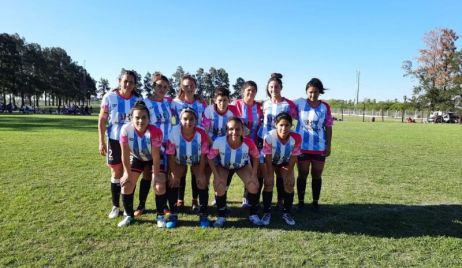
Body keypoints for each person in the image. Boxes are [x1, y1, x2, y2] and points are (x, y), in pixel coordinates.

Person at [98, 69, 141, 219]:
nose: (128, 84)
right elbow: (102, 119)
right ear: (119, 82)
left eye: (131, 82)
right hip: (114, 140)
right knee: (116, 172)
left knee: (130, 173)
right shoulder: (109, 97)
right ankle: (115, 206)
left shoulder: (138, 100)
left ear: (135, 84)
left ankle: (128, 205)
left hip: (132, 142)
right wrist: (101, 141)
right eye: (125, 81)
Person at [131, 73, 173, 217]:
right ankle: (141, 205)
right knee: (148, 175)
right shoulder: (145, 103)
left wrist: (199, 98)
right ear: (153, 86)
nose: (162, 89)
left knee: (164, 175)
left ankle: (164, 205)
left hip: (168, 146)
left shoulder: (168, 102)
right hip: (150, 146)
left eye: (165, 87)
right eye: (159, 86)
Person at [208, 117, 262, 227]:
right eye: (231, 129)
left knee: (253, 185)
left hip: (242, 166)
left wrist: (253, 174)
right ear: (226, 130)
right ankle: (221, 216)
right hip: (224, 166)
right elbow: (210, 158)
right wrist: (216, 175)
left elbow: (256, 157)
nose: (234, 132)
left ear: (242, 130)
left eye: (238, 129)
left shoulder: (249, 143)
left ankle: (253, 215)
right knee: (219, 186)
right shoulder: (219, 142)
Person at [117, 101, 164, 227]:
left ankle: (160, 215)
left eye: (144, 117)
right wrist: (126, 173)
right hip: (138, 157)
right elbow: (125, 154)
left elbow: (155, 156)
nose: (141, 121)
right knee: (126, 185)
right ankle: (128, 215)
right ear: (131, 118)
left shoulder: (155, 131)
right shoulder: (125, 130)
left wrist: (157, 175)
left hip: (154, 159)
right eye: (137, 117)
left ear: (149, 119)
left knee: (158, 185)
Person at [166, 108, 211, 228]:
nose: (188, 122)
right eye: (185, 119)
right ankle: (173, 214)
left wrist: (201, 173)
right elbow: (170, 154)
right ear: (180, 120)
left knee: (202, 182)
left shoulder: (201, 133)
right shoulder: (174, 132)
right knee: (173, 181)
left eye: (191, 119)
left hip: (197, 161)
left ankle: (203, 214)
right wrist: (174, 173)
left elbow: (203, 156)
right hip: (179, 160)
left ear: (196, 120)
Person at [259, 73, 298, 210]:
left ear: (281, 87)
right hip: (266, 142)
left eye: (276, 86)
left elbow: (296, 120)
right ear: (268, 88)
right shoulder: (264, 104)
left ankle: (281, 201)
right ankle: (259, 202)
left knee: (283, 175)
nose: (273, 89)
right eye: (271, 87)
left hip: (284, 142)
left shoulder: (289, 104)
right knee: (265, 176)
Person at [295, 78, 333, 212]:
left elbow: (328, 127)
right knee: (302, 174)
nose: (312, 95)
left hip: (319, 147)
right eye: (310, 92)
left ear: (320, 92)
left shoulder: (325, 107)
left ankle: (315, 202)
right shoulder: (299, 103)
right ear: (306, 91)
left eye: (315, 92)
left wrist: (328, 145)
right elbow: (284, 107)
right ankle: (300, 202)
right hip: (302, 147)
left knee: (316, 175)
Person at [171, 75, 207, 211]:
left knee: (195, 170)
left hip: (198, 140)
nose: (189, 88)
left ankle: (194, 200)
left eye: (192, 85)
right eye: (186, 85)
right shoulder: (174, 103)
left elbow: (206, 120)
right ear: (181, 87)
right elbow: (173, 120)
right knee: (181, 170)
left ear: (195, 87)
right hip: (180, 139)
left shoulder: (201, 102)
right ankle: (180, 200)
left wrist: (203, 132)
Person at [261, 112, 301, 226]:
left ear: (291, 125)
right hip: (270, 162)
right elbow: (268, 157)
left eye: (287, 125)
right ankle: (267, 212)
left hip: (285, 162)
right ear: (276, 125)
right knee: (269, 183)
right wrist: (269, 173)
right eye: (281, 125)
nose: (284, 128)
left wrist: (289, 173)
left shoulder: (296, 137)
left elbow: (294, 157)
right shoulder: (268, 137)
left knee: (289, 183)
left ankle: (287, 212)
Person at [232, 81, 264, 208]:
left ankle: (248, 198)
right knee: (229, 170)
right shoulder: (235, 104)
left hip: (255, 145)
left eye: (253, 90)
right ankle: (220, 196)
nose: (251, 92)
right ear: (243, 91)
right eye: (248, 90)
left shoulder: (260, 107)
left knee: (253, 171)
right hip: (237, 144)